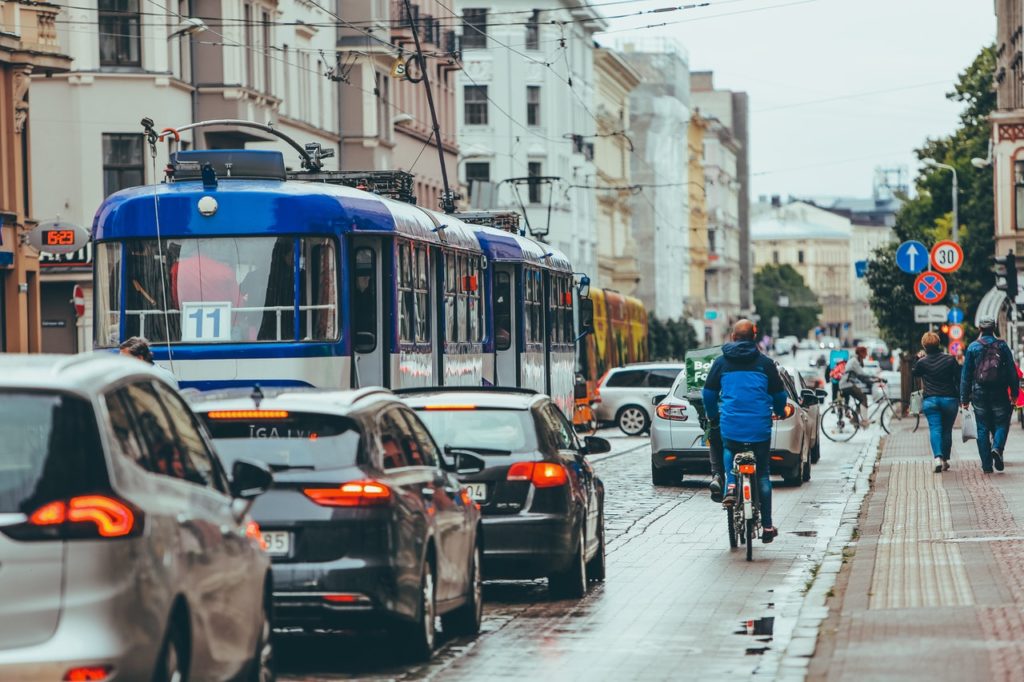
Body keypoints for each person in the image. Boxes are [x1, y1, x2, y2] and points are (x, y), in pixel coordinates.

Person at [702, 319, 787, 543]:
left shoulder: (721, 363)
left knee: (729, 449)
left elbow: (708, 395)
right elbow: (780, 397)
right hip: (760, 427)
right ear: (755, 336)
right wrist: (778, 410)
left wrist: (712, 415)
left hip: (731, 425)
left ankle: (731, 485)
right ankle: (767, 527)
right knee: (762, 474)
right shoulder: (766, 364)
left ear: (732, 336)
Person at [960, 316, 1018, 473]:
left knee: (982, 427)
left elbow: (966, 376)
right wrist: (1014, 393)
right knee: (1002, 422)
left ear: (979, 329)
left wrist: (964, 399)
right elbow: (1012, 371)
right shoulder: (1002, 346)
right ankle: (997, 447)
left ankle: (986, 465)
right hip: (999, 391)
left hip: (979, 392)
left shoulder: (972, 347)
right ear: (994, 328)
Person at [912, 331, 960, 473]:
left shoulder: (922, 362)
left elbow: (914, 373)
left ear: (924, 345)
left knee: (935, 429)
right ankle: (945, 460)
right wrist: (964, 397)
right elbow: (958, 378)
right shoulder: (950, 360)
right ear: (938, 343)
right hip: (949, 400)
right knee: (947, 430)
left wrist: (917, 358)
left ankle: (937, 458)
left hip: (930, 400)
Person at [839, 346, 876, 427]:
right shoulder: (854, 361)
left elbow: (861, 376)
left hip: (847, 384)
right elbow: (861, 374)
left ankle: (854, 420)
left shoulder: (856, 360)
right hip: (846, 384)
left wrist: (872, 379)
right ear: (861, 353)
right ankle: (865, 421)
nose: (866, 355)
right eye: (865, 353)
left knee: (860, 400)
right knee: (863, 398)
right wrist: (874, 379)